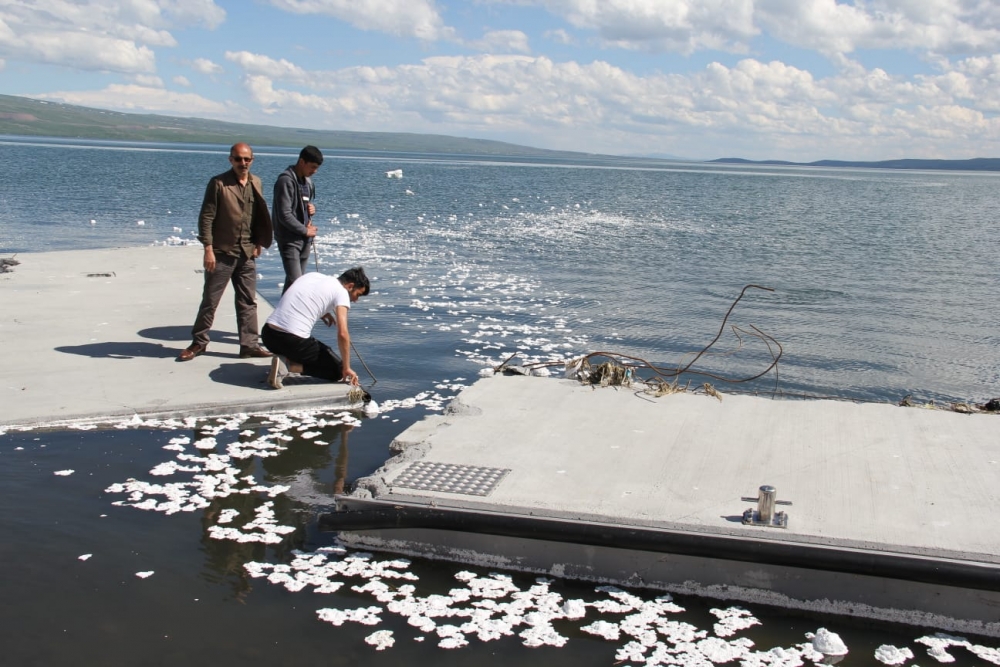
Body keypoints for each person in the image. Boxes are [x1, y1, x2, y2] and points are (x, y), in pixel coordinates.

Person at [178, 142, 274, 362]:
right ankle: (199, 342)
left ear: (252, 160)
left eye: (246, 159)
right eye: (238, 159)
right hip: (222, 252)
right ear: (230, 160)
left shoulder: (256, 182)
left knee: (248, 301)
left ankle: (249, 345)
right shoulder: (219, 183)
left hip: (247, 252)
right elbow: (207, 217)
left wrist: (259, 242)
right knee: (210, 300)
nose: (243, 163)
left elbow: (258, 215)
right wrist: (208, 249)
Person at [261, 267, 370, 389]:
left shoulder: (313, 276)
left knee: (305, 347)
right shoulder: (342, 292)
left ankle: (284, 359)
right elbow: (343, 334)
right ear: (350, 286)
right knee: (337, 371)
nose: (356, 300)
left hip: (268, 335)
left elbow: (302, 297)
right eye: (357, 294)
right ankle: (287, 366)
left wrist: (323, 312)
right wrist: (346, 367)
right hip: (291, 341)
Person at [273, 145, 323, 293]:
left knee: (293, 284)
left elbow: (303, 205)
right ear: (302, 162)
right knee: (297, 283)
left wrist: (311, 209)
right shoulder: (285, 181)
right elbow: (284, 214)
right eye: (312, 167)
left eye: (317, 168)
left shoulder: (307, 182)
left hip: (304, 239)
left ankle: (283, 315)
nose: (315, 171)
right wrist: (304, 230)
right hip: (290, 239)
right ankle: (287, 315)